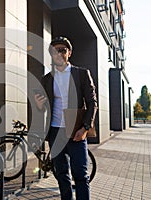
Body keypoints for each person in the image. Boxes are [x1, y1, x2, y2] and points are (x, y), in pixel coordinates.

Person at [34, 36, 98, 200]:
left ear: (69, 53)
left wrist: (85, 128)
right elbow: (42, 109)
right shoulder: (47, 79)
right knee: (61, 174)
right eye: (55, 51)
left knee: (81, 176)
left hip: (76, 131)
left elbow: (92, 103)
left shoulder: (81, 74)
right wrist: (39, 105)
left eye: (62, 50)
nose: (59, 54)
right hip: (55, 132)